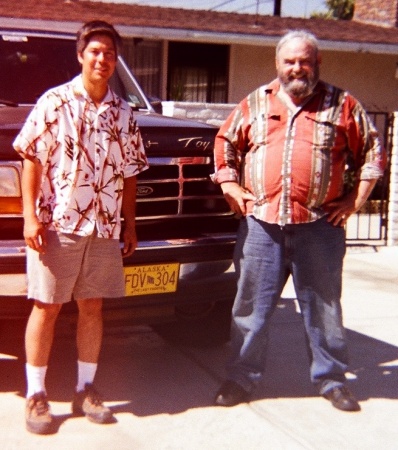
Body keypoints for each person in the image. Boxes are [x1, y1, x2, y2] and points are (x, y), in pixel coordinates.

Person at [212, 30, 386, 412]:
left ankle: (332, 380)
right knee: (250, 311)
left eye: (304, 61)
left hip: (320, 229)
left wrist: (356, 200)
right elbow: (225, 142)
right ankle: (240, 378)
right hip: (262, 227)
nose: (297, 68)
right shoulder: (255, 102)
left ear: (317, 63)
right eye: (289, 61)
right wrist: (230, 184)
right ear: (278, 64)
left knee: (324, 310)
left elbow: (373, 148)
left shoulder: (343, 105)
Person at [13, 20, 148, 434]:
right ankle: (36, 395)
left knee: (93, 306)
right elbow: (31, 159)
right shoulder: (54, 102)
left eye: (110, 53)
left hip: (104, 226)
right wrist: (30, 217)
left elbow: (129, 173)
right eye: (95, 52)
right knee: (47, 306)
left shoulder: (123, 113)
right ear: (81, 55)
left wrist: (130, 224)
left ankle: (85, 388)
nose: (103, 59)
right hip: (59, 222)